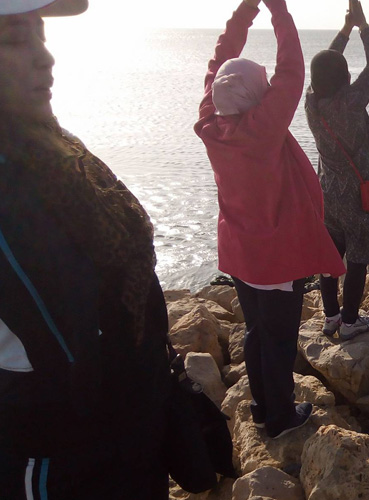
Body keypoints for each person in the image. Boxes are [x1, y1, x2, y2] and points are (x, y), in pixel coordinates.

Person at [0, 0, 179, 498]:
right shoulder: (13, 180)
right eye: (15, 39)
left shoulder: (55, 150)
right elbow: (62, 352)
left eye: (40, 34)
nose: (46, 57)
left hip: (129, 435)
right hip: (61, 459)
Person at [195, 0, 345, 437]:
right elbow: (292, 70)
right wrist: (276, 8)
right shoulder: (262, 130)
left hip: (241, 253)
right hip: (275, 258)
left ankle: (263, 407)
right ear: (253, 96)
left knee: (257, 332)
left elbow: (218, 65)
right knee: (278, 340)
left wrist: (245, 11)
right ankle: (280, 418)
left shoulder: (210, 125)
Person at [305, 0, 369, 340]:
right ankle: (351, 320)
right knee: (357, 258)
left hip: (327, 192)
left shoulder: (311, 102)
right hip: (358, 197)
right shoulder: (351, 101)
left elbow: (323, 66)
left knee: (331, 257)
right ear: (345, 77)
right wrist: (363, 26)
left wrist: (344, 30)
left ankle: (331, 318)